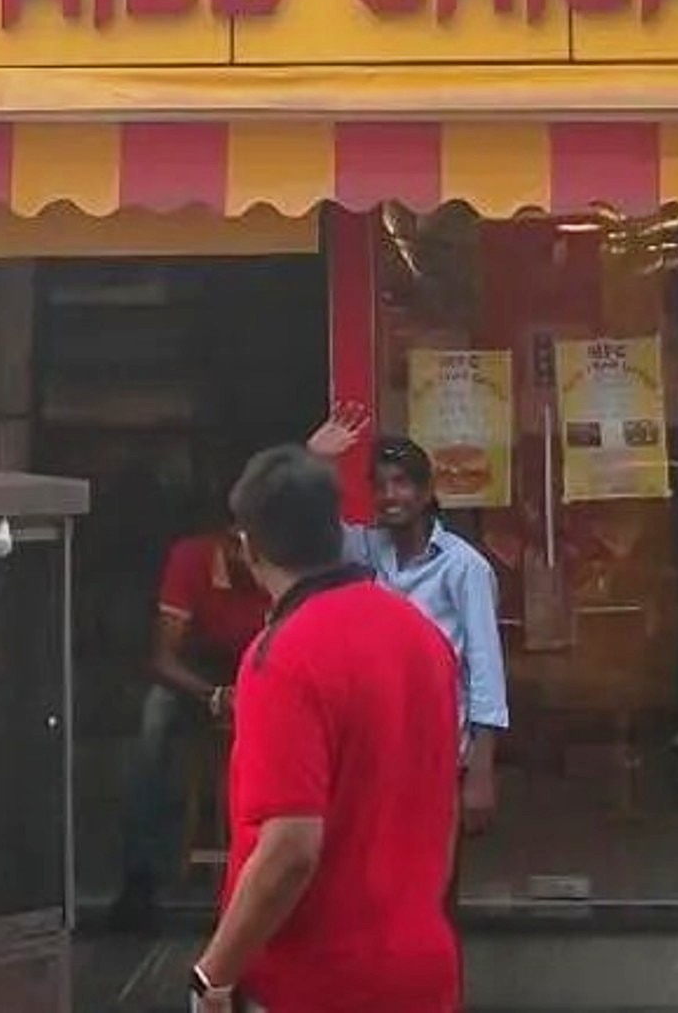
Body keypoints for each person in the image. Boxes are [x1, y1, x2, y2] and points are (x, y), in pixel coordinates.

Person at [193, 445, 460, 1013]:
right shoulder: (422, 636)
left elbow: (291, 848)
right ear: (337, 530)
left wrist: (211, 975)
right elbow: (444, 802)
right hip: (422, 966)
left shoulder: (281, 657)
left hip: (314, 980)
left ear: (249, 546)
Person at [308, 406, 509, 837]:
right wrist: (315, 461)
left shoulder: (462, 566)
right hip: (376, 757)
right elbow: (309, 531)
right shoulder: (365, 550)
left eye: (401, 483)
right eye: (380, 486)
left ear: (425, 491)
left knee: (436, 874)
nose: (390, 495)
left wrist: (481, 770)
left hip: (442, 757)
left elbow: (486, 671)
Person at [108, 518, 272, 932]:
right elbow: (163, 659)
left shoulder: (283, 562)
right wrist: (213, 695)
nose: (251, 555)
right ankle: (140, 878)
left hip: (268, 672)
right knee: (153, 719)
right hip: (197, 678)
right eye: (242, 543)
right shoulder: (191, 559)